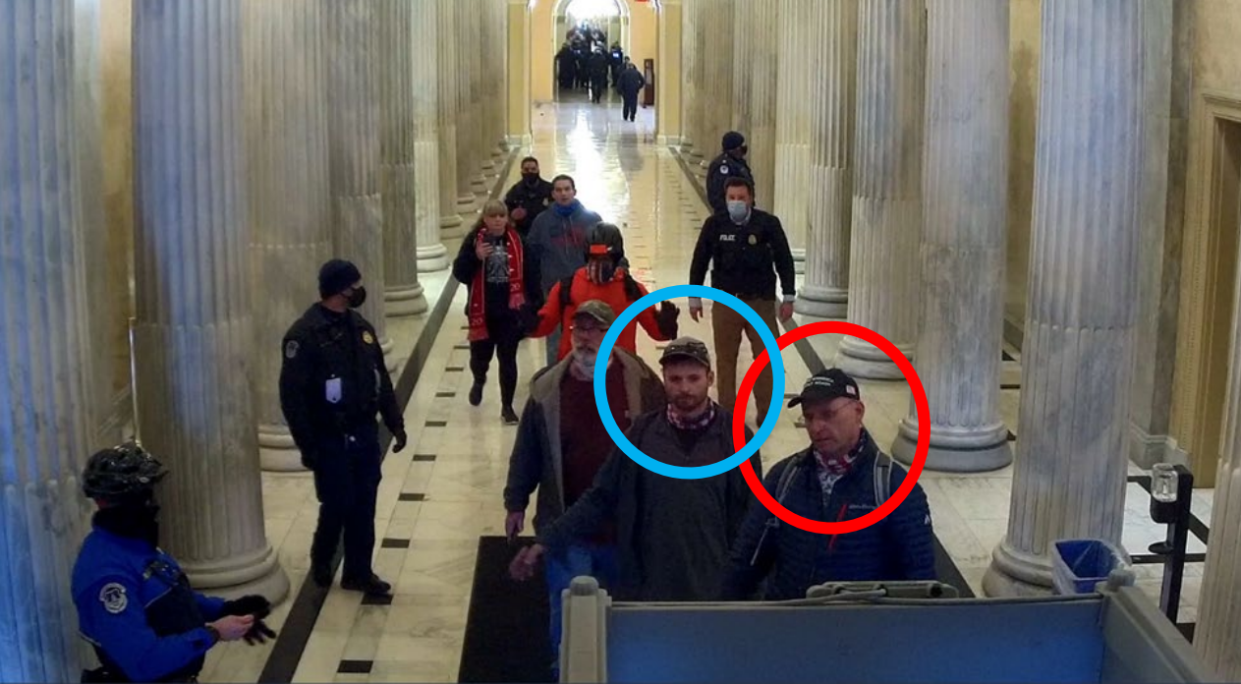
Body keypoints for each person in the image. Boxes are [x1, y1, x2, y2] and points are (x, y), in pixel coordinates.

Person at [509, 337, 762, 604]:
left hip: (714, 588)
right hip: (652, 588)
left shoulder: (736, 438)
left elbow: (752, 518)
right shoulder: (641, 434)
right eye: (675, 379)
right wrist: (546, 541)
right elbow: (600, 497)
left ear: (709, 378)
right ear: (664, 379)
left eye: (693, 378)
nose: (684, 388)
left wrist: (752, 586)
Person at [503, 300, 667, 679]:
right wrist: (515, 501)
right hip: (566, 525)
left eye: (594, 330)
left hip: (623, 528)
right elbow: (527, 450)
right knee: (570, 614)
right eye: (579, 330)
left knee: (621, 615)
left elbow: (662, 442)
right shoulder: (548, 388)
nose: (585, 338)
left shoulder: (639, 381)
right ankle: (567, 671)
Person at [721, 370, 936, 600]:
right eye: (809, 416)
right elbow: (746, 561)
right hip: (790, 626)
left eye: (828, 414)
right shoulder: (784, 478)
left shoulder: (894, 487)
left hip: (863, 630)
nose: (816, 427)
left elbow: (921, 585)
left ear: (858, 412)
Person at [71, 442, 276, 683]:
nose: (155, 503)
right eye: (146, 495)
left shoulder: (135, 543)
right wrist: (214, 633)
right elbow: (144, 662)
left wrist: (225, 609)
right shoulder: (106, 575)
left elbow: (170, 595)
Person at [279, 258, 407, 596]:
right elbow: (293, 399)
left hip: (363, 432)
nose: (359, 289)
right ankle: (322, 561)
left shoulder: (360, 327)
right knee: (337, 503)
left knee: (364, 504)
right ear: (340, 289)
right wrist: (308, 446)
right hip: (330, 436)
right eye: (354, 284)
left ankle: (358, 571)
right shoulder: (304, 336)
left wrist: (395, 422)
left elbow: (379, 378)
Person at [688, 176, 796, 421]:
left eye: (741, 198)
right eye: (732, 198)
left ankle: (765, 412)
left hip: (760, 302)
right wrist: (694, 296)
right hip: (726, 301)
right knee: (726, 360)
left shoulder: (767, 224)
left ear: (751, 199)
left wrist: (788, 296)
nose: (736, 202)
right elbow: (700, 261)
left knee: (767, 357)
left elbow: (784, 260)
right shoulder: (715, 224)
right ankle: (727, 413)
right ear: (725, 200)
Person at [452, 199, 542, 424]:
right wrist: (475, 257)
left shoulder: (518, 241)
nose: (498, 220)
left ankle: (507, 406)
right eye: (493, 216)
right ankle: (479, 379)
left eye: (501, 216)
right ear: (485, 219)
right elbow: (460, 273)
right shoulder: (474, 241)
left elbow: (531, 273)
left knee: (508, 359)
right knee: (480, 358)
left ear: (507, 218)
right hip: (483, 311)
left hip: (509, 313)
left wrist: (534, 304)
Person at [531, 222, 676, 361]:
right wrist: (527, 321)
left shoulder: (631, 290)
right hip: (575, 370)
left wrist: (666, 326)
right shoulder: (567, 287)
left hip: (618, 371)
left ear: (616, 258)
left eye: (606, 258)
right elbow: (545, 325)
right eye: (594, 258)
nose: (599, 264)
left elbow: (656, 332)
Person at [527, 174, 603, 367]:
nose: (563, 194)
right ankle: (556, 376)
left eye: (567, 189)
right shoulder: (542, 222)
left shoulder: (591, 219)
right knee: (555, 337)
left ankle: (591, 374)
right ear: (553, 194)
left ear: (574, 192)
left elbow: (607, 249)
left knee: (590, 334)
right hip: (555, 290)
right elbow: (531, 256)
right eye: (559, 190)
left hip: (586, 288)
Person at [706, 131, 756, 215]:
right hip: (728, 214)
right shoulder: (723, 166)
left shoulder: (738, 163)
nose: (743, 151)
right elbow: (718, 194)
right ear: (734, 149)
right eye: (741, 147)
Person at [503, 156, 554, 237]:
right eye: (526, 170)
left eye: (533, 169)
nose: (530, 172)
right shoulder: (515, 191)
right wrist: (511, 215)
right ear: (521, 171)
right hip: (522, 232)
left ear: (538, 170)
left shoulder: (549, 189)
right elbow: (505, 209)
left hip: (546, 230)